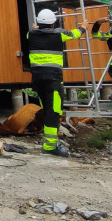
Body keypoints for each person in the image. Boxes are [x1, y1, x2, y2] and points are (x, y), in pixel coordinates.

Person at [27, 8, 85, 157]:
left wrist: (36, 28)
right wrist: (83, 27)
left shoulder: (30, 34)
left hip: (38, 79)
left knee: (47, 109)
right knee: (54, 111)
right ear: (53, 24)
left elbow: (33, 32)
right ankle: (50, 146)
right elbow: (75, 34)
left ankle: (50, 143)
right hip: (53, 79)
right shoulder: (59, 34)